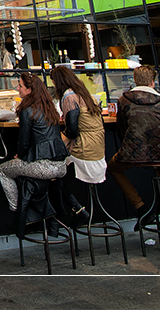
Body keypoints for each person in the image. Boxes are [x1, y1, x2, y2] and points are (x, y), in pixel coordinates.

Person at [107, 66, 160, 225]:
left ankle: (141, 207)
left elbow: (121, 128)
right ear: (153, 82)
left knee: (113, 168)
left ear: (135, 80)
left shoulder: (124, 100)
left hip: (134, 151)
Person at [0, 72, 68, 211]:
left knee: (2, 170)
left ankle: (18, 212)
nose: (18, 88)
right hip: (61, 165)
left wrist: (20, 155)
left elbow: (24, 141)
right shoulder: (50, 107)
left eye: (20, 86)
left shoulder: (27, 110)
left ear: (29, 90)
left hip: (43, 166)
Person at [49, 66, 105, 218]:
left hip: (84, 149)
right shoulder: (85, 94)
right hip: (98, 148)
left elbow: (72, 130)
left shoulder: (69, 96)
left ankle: (76, 208)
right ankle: (77, 210)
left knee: (50, 170)